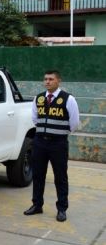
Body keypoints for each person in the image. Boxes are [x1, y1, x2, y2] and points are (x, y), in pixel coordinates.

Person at [24, 70, 80, 222]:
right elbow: (35, 119)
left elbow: (74, 123)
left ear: (58, 81)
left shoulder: (68, 99)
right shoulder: (39, 98)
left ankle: (62, 209)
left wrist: (59, 133)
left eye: (51, 79)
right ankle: (37, 205)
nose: (47, 81)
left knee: (60, 177)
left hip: (58, 144)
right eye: (45, 79)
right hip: (40, 142)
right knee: (38, 175)